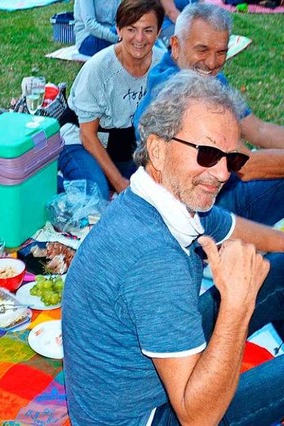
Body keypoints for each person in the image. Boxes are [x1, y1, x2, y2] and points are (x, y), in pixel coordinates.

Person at [63, 71, 284, 425]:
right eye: (209, 153)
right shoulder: (155, 259)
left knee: (280, 270)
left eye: (233, 158)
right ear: (158, 149)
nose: (224, 173)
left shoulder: (158, 197)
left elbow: (227, 226)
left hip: (129, 389)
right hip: (147, 416)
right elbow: (198, 417)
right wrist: (237, 306)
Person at [134, 2, 284, 226]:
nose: (213, 63)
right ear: (176, 46)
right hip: (193, 215)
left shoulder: (203, 76)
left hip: (214, 194)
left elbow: (257, 128)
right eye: (202, 50)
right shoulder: (175, 92)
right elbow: (246, 166)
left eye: (221, 52)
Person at [59, 0, 165, 199]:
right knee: (94, 193)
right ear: (118, 30)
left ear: (159, 32)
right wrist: (119, 183)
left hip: (125, 146)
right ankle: (44, 180)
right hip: (82, 139)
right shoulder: (99, 69)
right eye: (131, 29)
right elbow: (87, 135)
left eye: (148, 30)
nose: (139, 38)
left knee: (157, 193)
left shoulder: (163, 66)